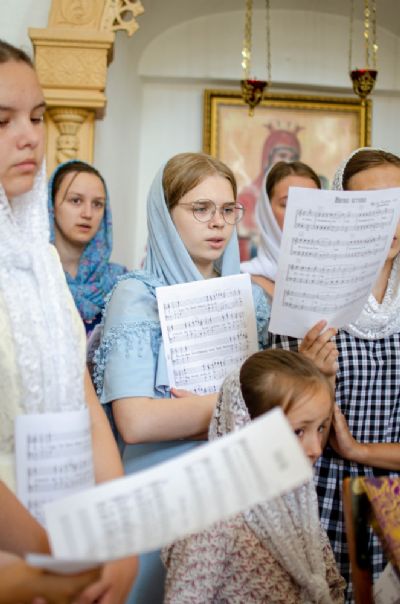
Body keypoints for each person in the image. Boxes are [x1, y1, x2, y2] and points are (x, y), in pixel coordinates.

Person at [93, 151, 271, 602]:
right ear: (165, 216)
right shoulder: (136, 296)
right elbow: (136, 422)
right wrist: (233, 404)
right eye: (201, 208)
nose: (218, 223)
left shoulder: (252, 300)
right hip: (160, 495)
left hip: (237, 492)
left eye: (228, 209)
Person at [0, 39, 137, 603]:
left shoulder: (42, 262)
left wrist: (121, 536)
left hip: (68, 532)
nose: (30, 137)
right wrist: (51, 557)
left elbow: (84, 399)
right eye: (2, 120)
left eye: (37, 117)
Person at [268, 147, 400, 602]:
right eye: (372, 207)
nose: (389, 222)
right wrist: (313, 379)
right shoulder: (306, 298)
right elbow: (274, 434)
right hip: (318, 502)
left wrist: (358, 449)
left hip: (394, 505)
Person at [162, 349, 346, 603]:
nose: (315, 449)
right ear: (245, 427)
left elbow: (330, 583)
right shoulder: (212, 523)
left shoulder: (296, 503)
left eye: (321, 428)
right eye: (298, 431)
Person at [48, 160, 127, 337]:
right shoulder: (33, 277)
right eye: (75, 201)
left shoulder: (121, 283)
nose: (87, 213)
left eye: (97, 204)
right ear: (51, 205)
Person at [241, 160, 321, 298]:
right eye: (288, 204)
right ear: (266, 212)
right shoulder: (240, 280)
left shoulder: (336, 278)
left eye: (312, 204)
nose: (302, 214)